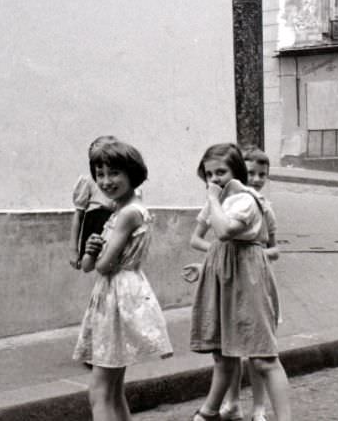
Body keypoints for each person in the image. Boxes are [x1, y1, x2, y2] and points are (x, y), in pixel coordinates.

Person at [186, 143, 291, 421]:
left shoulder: (245, 200)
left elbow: (222, 232)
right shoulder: (221, 203)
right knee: (223, 351)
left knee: (263, 356)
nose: (214, 179)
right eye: (209, 174)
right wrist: (211, 264)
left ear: (236, 172)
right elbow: (206, 241)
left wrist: (211, 199)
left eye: (221, 172)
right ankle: (216, 410)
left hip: (250, 281)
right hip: (227, 278)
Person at [72, 140, 172, 421]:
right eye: (100, 174)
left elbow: (103, 266)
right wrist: (92, 249)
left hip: (118, 296)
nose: (106, 181)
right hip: (118, 293)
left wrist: (96, 252)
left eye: (114, 173)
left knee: (99, 390)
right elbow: (87, 265)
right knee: (114, 390)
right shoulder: (121, 210)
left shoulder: (127, 214)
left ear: (132, 173)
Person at [220, 145, 280, 421]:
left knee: (258, 349)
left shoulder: (263, 207)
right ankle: (232, 401)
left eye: (262, 175)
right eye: (251, 173)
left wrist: (251, 256)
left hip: (255, 281)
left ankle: (259, 407)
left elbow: (275, 249)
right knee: (229, 347)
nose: (256, 179)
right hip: (231, 281)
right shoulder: (229, 204)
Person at [69, 135, 118, 269]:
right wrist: (73, 249)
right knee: (93, 264)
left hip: (114, 223)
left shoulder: (122, 183)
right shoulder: (89, 181)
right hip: (95, 223)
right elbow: (78, 215)